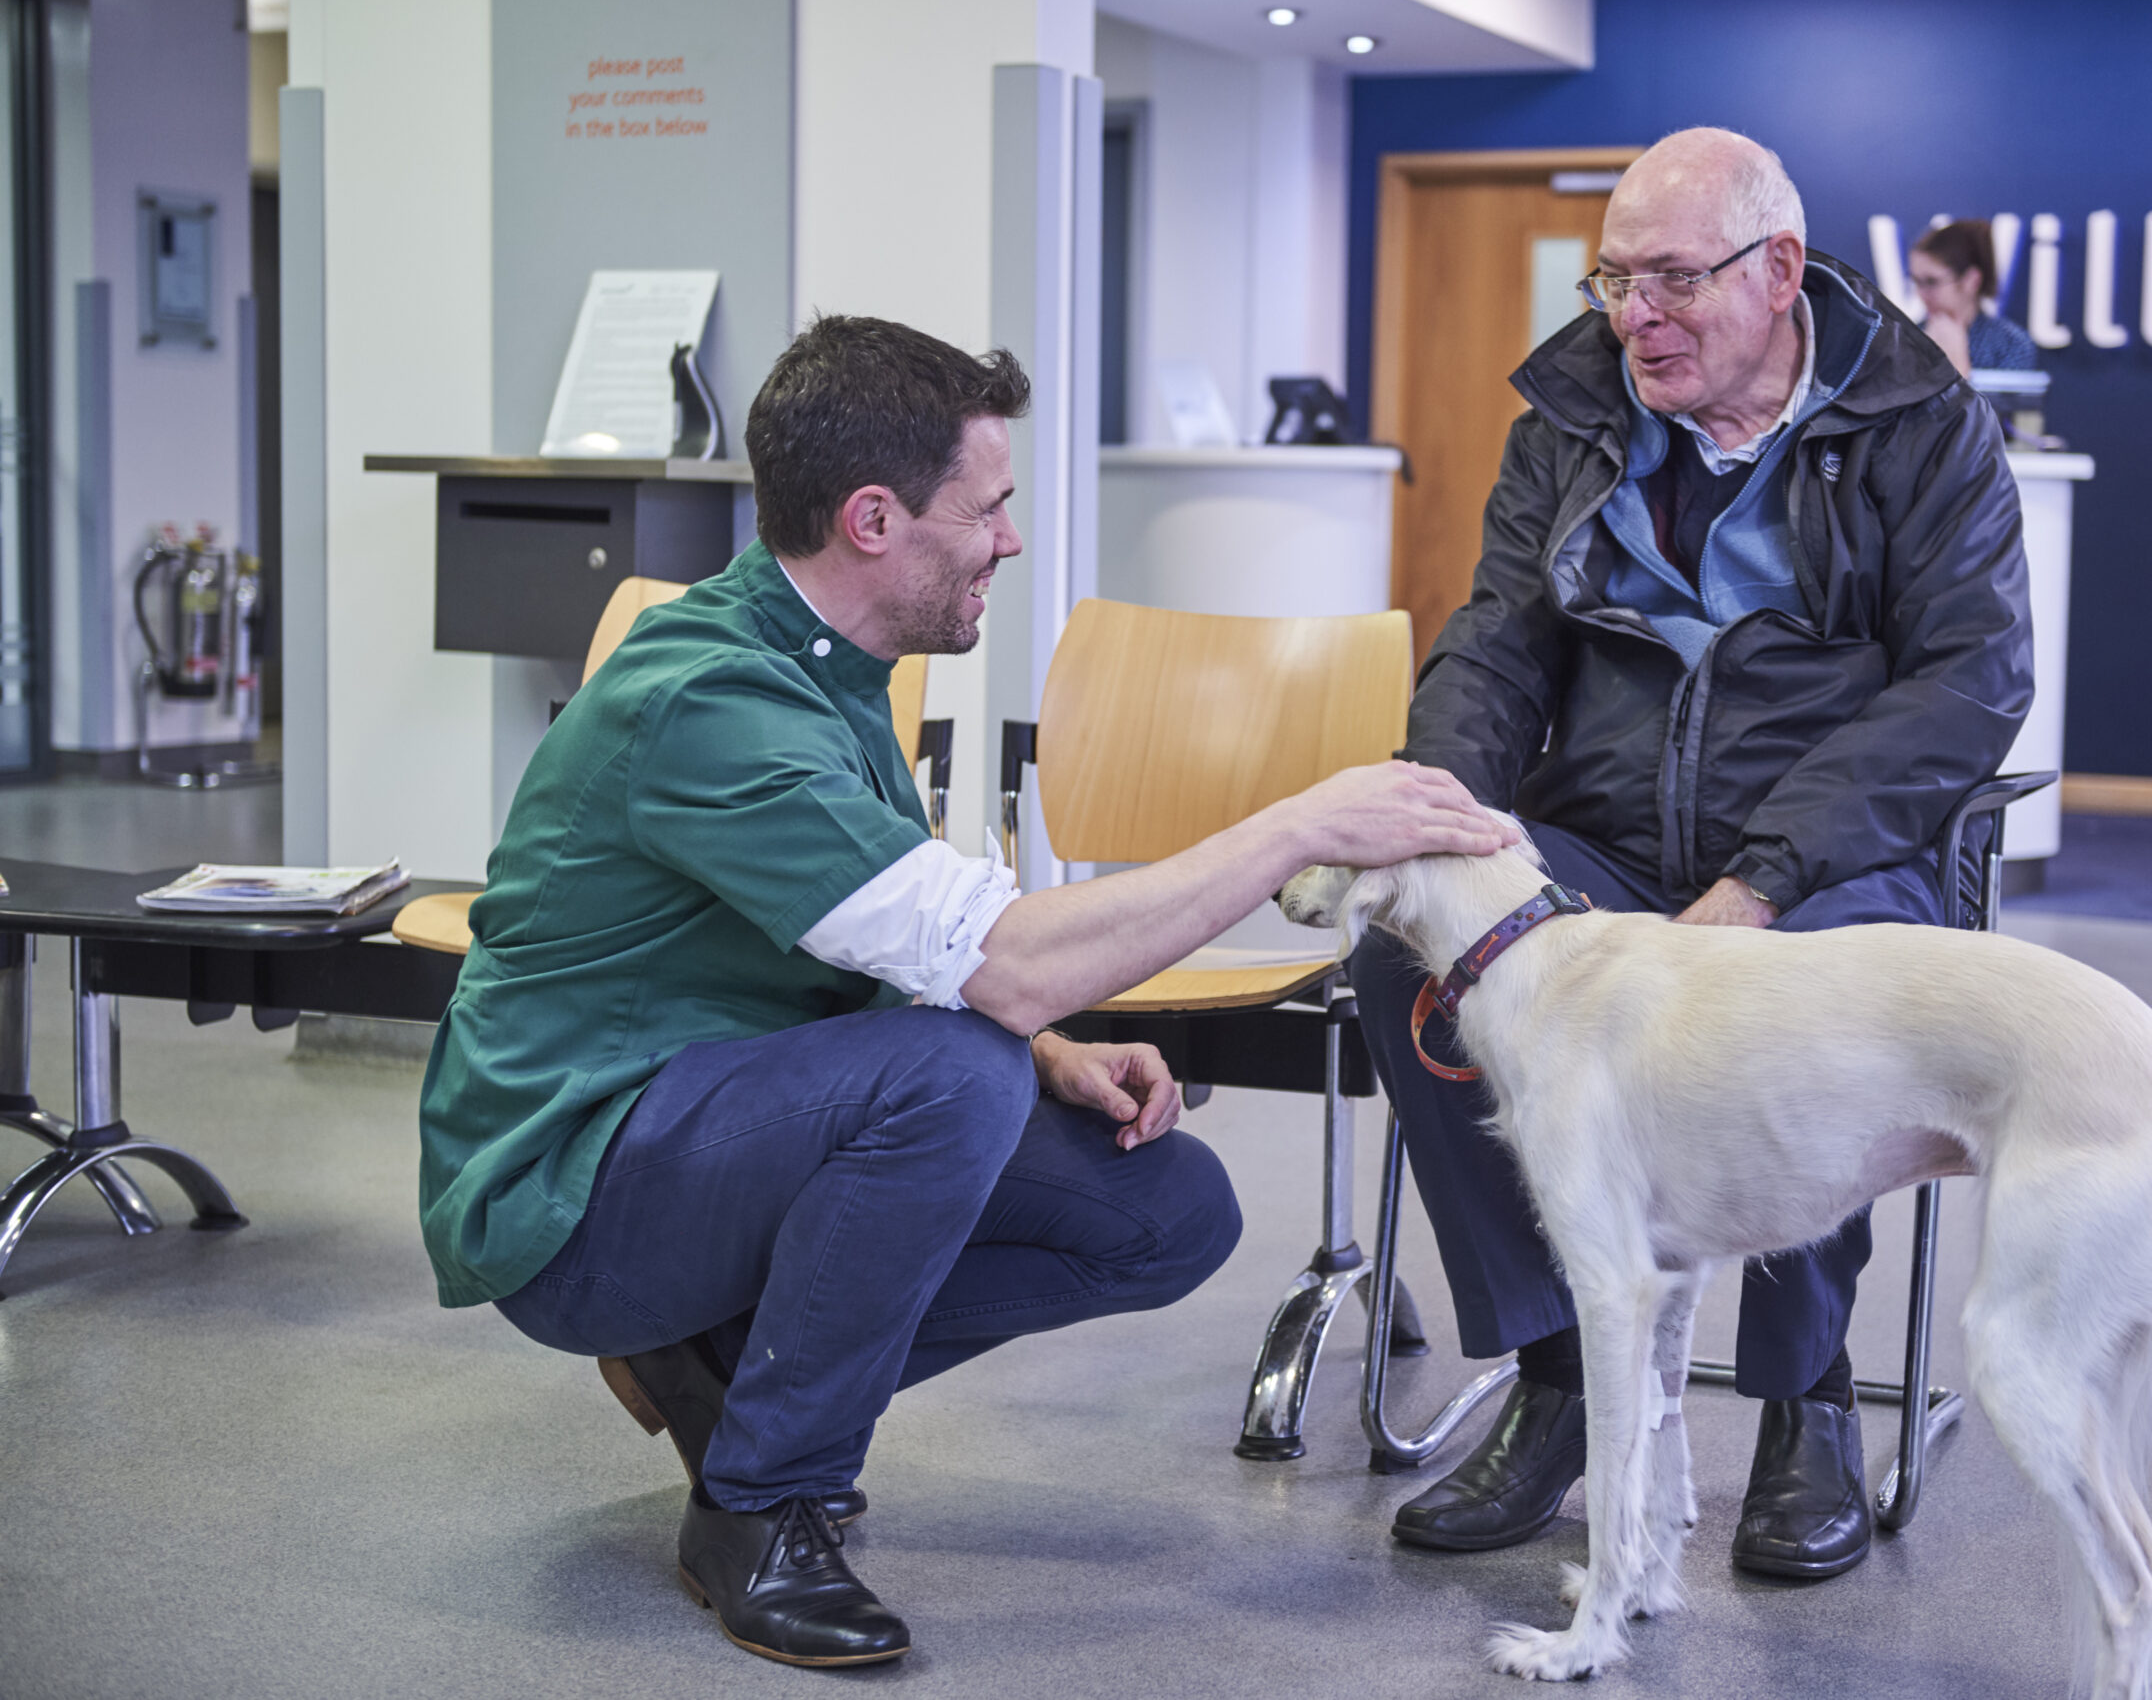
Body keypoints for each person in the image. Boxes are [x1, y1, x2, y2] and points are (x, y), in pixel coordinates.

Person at [416, 316, 1513, 1669]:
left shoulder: (827, 673)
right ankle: (756, 1503)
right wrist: (1295, 827)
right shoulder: (708, 700)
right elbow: (996, 958)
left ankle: (712, 1361)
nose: (1008, 537)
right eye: (987, 506)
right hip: (570, 1188)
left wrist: (1050, 1042)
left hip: (711, 1122)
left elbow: (904, 938)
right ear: (874, 518)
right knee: (954, 1073)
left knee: (1165, 1210)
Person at [1352, 128, 2030, 1580]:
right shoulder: (1574, 416)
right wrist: (1445, 821)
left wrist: (1767, 875)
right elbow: (1499, 642)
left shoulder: (1922, 421)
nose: (1632, 317)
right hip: (1597, 834)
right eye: (1614, 280)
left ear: (1779, 270)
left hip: (1824, 852)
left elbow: (1969, 681)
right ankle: (1553, 1377)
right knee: (1405, 946)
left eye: (1671, 281)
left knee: (1802, 995)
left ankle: (1806, 1401)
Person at [1908, 217, 2038, 377]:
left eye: (1932, 282)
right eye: (1917, 281)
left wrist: (1956, 368)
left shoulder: (2010, 345)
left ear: (1971, 280)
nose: (1921, 293)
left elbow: (2001, 402)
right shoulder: (1905, 339)